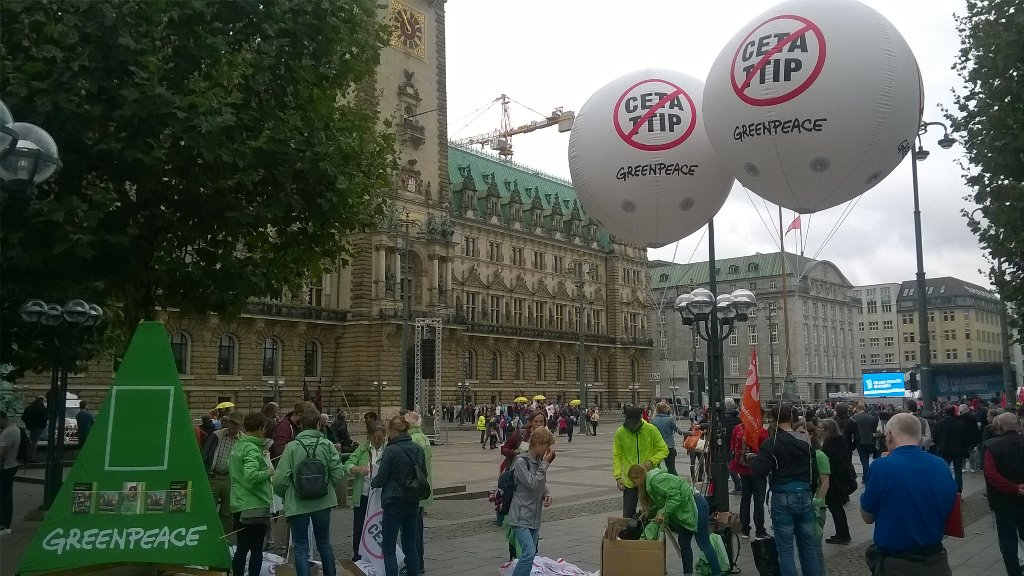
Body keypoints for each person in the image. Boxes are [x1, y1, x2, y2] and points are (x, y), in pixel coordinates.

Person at [860, 413, 955, 575]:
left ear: (890, 436)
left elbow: (868, 517)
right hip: (936, 560)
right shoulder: (941, 465)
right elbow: (948, 507)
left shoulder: (881, 467)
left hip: (897, 564)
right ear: (920, 437)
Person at [749, 404, 821, 576]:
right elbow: (814, 470)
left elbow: (760, 470)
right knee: (808, 546)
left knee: (786, 549)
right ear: (792, 417)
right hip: (804, 492)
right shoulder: (805, 440)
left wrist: (752, 458)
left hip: (782, 494)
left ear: (773, 419)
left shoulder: (772, 442)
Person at [272, 406, 344, 576]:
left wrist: (286, 495)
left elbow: (279, 480)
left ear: (301, 424)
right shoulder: (327, 445)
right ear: (319, 424)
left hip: (298, 504)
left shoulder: (292, 447)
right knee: (324, 544)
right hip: (323, 501)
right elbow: (338, 474)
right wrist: (326, 486)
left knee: (301, 548)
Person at [627, 463, 721, 576]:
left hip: (695, 505)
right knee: (684, 542)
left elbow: (675, 497)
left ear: (639, 476)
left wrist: (663, 513)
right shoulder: (650, 483)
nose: (634, 485)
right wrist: (648, 512)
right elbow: (662, 502)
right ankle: (688, 573)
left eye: (634, 481)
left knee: (703, 543)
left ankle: (717, 573)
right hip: (687, 508)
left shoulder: (655, 480)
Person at [372, 415, 426, 576]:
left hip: (393, 502)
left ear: (394, 431)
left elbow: (381, 478)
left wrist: (373, 482)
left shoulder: (391, 451)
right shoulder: (418, 448)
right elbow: (423, 474)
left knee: (388, 548)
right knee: (410, 546)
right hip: (412, 500)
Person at [229, 412, 275, 576]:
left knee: (241, 548)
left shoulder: (238, 445)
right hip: (255, 504)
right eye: (264, 428)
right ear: (260, 428)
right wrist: (268, 471)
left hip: (238, 503)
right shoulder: (252, 448)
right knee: (256, 550)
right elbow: (251, 475)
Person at [507, 427, 556, 576]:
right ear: (539, 444)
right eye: (547, 446)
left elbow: (541, 483)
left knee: (531, 554)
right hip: (520, 515)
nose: (548, 450)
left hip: (534, 516)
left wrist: (546, 494)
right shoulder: (521, 462)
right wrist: (545, 465)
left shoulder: (538, 461)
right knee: (528, 553)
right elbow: (532, 483)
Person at [983, 412, 1024, 576]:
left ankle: (1014, 572)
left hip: (1003, 502)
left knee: (1008, 542)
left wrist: (1013, 488)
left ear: (999, 427)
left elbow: (991, 474)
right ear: (1018, 426)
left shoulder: (992, 447)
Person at [613, 406, 669, 518]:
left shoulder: (651, 429)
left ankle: (649, 528)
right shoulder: (620, 432)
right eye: (630, 425)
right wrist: (618, 477)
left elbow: (664, 450)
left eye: (635, 424)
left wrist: (651, 462)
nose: (632, 427)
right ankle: (630, 529)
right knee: (628, 515)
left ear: (640, 420)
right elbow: (617, 456)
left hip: (649, 479)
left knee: (652, 513)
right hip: (631, 480)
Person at [343, 421, 386, 562]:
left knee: (380, 527)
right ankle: (358, 556)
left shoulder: (388, 449)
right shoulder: (362, 448)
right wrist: (357, 469)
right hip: (363, 494)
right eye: (374, 437)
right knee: (359, 527)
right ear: (369, 436)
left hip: (380, 497)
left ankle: (378, 556)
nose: (377, 440)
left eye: (380, 437)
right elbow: (347, 464)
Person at [202, 412, 242, 534]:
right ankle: (208, 534)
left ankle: (224, 537)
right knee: (209, 509)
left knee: (227, 511)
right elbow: (205, 453)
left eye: (236, 424)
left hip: (230, 478)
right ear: (228, 422)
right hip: (213, 476)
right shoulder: (216, 435)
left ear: (240, 425)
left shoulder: (243, 440)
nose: (233, 426)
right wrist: (206, 470)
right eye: (232, 423)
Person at [729, 419, 768, 539]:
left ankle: (745, 529)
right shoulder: (762, 431)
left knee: (745, 499)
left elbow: (732, 448)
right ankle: (760, 530)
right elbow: (766, 452)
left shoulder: (737, 429)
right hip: (758, 471)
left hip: (743, 470)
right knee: (759, 502)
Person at [819, 418, 854, 545]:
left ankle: (842, 534)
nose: (818, 429)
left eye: (820, 427)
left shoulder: (829, 445)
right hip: (840, 480)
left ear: (827, 430)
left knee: (835, 508)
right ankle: (842, 533)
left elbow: (831, 464)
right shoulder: (839, 441)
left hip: (834, 481)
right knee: (837, 508)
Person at [406, 411, 433, 575]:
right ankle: (419, 562)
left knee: (412, 532)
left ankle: (415, 564)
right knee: (418, 529)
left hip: (414, 490)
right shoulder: (424, 438)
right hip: (423, 488)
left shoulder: (412, 440)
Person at [932, 405, 968, 493]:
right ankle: (958, 492)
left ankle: (944, 490)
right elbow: (965, 438)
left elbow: (935, 437)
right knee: (958, 472)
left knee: (943, 471)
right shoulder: (960, 423)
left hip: (944, 450)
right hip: (958, 451)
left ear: (945, 412)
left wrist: (939, 445)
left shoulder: (940, 423)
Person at [0, 410, 21, 534]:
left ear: (2, 419)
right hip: (13, 464)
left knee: (4, 497)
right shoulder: (15, 428)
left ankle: (4, 525)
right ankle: (5, 524)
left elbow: (2, 453)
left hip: (5, 467)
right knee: (5, 495)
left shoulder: (6, 433)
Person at [651, 402, 685, 476]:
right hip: (669, 447)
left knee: (655, 469)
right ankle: (676, 481)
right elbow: (679, 432)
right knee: (671, 469)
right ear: (665, 409)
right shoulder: (669, 420)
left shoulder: (653, 420)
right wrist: (690, 433)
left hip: (657, 447)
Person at [851, 404, 878, 486]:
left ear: (857, 409)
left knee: (864, 460)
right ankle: (867, 476)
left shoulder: (855, 418)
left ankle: (866, 477)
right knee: (867, 459)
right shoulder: (871, 418)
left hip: (860, 442)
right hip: (870, 441)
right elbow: (874, 429)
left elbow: (852, 430)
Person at [722, 398, 742, 494]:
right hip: (737, 444)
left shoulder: (724, 418)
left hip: (727, 445)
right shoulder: (738, 417)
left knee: (730, 466)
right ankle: (739, 484)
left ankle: (738, 486)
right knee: (735, 464)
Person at [21, 397, 46, 461]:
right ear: (41, 401)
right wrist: (42, 426)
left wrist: (28, 423)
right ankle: (31, 458)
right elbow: (45, 418)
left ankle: (30, 456)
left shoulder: (29, 407)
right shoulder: (42, 408)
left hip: (31, 427)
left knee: (32, 442)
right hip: (38, 427)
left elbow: (23, 417)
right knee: (34, 443)